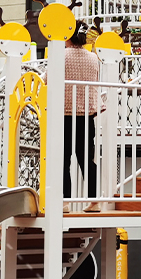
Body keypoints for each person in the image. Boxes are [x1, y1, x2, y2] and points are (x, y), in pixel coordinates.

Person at [61, 22, 101, 209]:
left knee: (64, 159)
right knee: (86, 159)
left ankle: (65, 201)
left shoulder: (61, 56)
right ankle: (94, 200)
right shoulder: (93, 58)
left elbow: (45, 80)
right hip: (86, 115)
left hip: (65, 114)